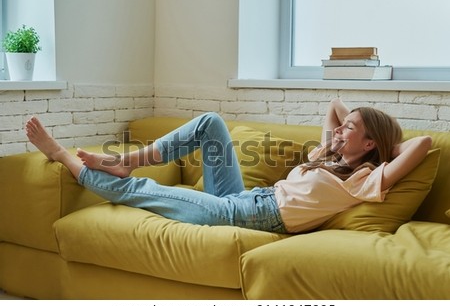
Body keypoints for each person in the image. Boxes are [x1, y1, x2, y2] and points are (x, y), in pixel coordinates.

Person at [25, 98, 432, 234]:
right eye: (340, 129)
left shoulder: (363, 178)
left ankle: (61, 154)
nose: (339, 131)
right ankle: (123, 163)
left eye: (350, 130)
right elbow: (335, 105)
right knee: (210, 123)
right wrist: (352, 126)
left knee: (142, 194)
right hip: (246, 199)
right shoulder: (329, 156)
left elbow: (423, 143)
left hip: (254, 216)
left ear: (372, 143)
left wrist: (379, 141)